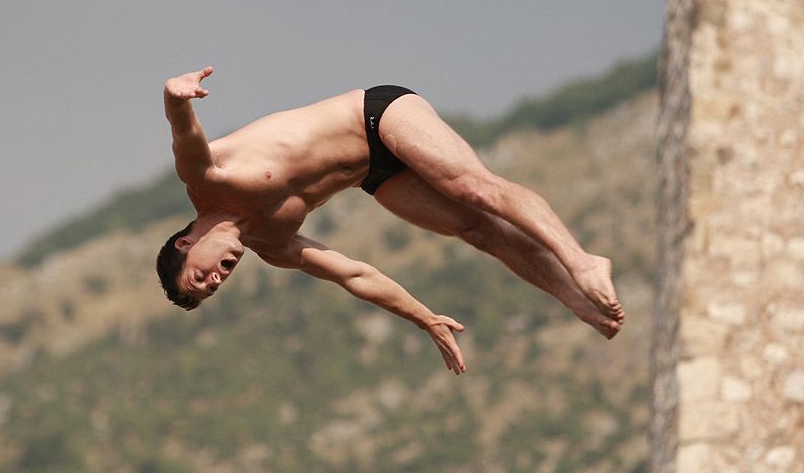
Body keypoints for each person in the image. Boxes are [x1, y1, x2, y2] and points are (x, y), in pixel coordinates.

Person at [156, 66, 623, 374]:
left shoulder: (205, 178)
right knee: (476, 230)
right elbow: (356, 275)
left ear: (184, 244)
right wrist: (425, 319)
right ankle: (576, 300)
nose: (220, 276)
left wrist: (175, 96)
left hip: (377, 116)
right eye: (216, 285)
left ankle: (581, 261)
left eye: (204, 274)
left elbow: (185, 132)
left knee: (474, 188)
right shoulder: (273, 245)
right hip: (372, 174)